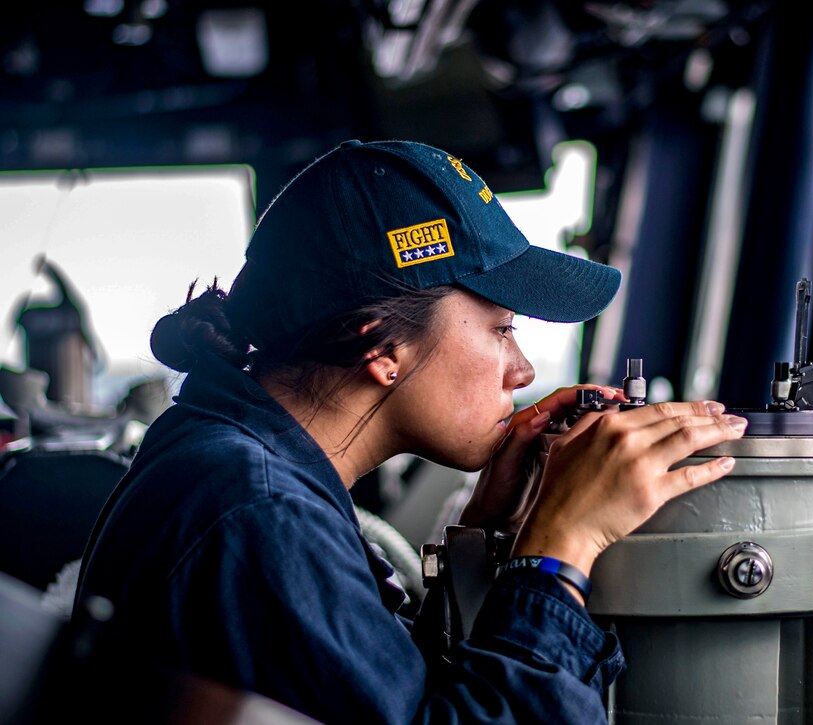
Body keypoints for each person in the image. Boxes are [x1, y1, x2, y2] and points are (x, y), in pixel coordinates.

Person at [75, 140, 748, 723]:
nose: (523, 369)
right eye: (502, 329)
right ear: (381, 346)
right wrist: (559, 552)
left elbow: (379, 696)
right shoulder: (258, 513)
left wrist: (490, 524)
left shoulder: (236, 464)